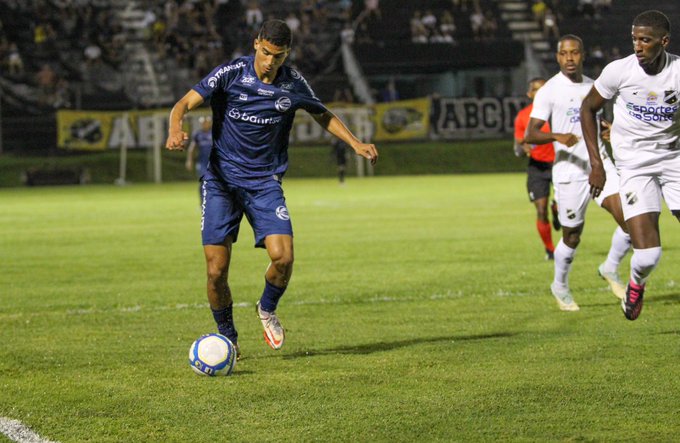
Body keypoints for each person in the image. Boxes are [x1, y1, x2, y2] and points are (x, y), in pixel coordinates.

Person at [165, 20, 378, 356]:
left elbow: (321, 113)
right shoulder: (231, 73)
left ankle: (266, 308)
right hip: (221, 183)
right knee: (216, 270)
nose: (269, 61)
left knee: (284, 258)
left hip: (264, 183)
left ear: (286, 54)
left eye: (277, 56)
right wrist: (175, 129)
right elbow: (182, 104)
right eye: (265, 53)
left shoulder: (293, 82)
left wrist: (354, 143)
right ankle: (228, 337)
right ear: (256, 44)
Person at [581, 10, 680, 321]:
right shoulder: (618, 71)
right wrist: (596, 163)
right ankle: (636, 284)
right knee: (649, 254)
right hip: (635, 166)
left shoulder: (678, 72)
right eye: (635, 39)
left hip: (675, 159)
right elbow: (588, 108)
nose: (638, 46)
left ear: (663, 41)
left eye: (645, 40)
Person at [524, 34, 631, 311]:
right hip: (569, 172)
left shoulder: (595, 86)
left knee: (632, 219)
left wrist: (610, 130)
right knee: (572, 235)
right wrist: (557, 136)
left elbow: (600, 121)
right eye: (564, 53)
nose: (569, 58)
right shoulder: (549, 90)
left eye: (575, 53)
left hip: (601, 165)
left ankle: (610, 267)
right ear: (558, 57)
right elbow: (531, 133)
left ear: (583, 55)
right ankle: (559, 285)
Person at [513, 77, 560, 261]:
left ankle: (558, 212)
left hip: (559, 165)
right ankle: (550, 250)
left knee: (561, 207)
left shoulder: (557, 112)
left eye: (544, 89)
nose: (540, 93)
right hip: (537, 167)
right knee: (541, 211)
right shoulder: (524, 116)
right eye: (536, 90)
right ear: (529, 94)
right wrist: (523, 148)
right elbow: (518, 144)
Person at [185, 115, 213, 202]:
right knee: (203, 181)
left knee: (215, 183)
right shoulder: (198, 134)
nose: (205, 124)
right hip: (202, 163)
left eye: (206, 122)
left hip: (214, 163)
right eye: (203, 123)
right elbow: (192, 148)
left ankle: (213, 202)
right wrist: (189, 160)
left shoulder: (214, 133)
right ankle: (203, 202)